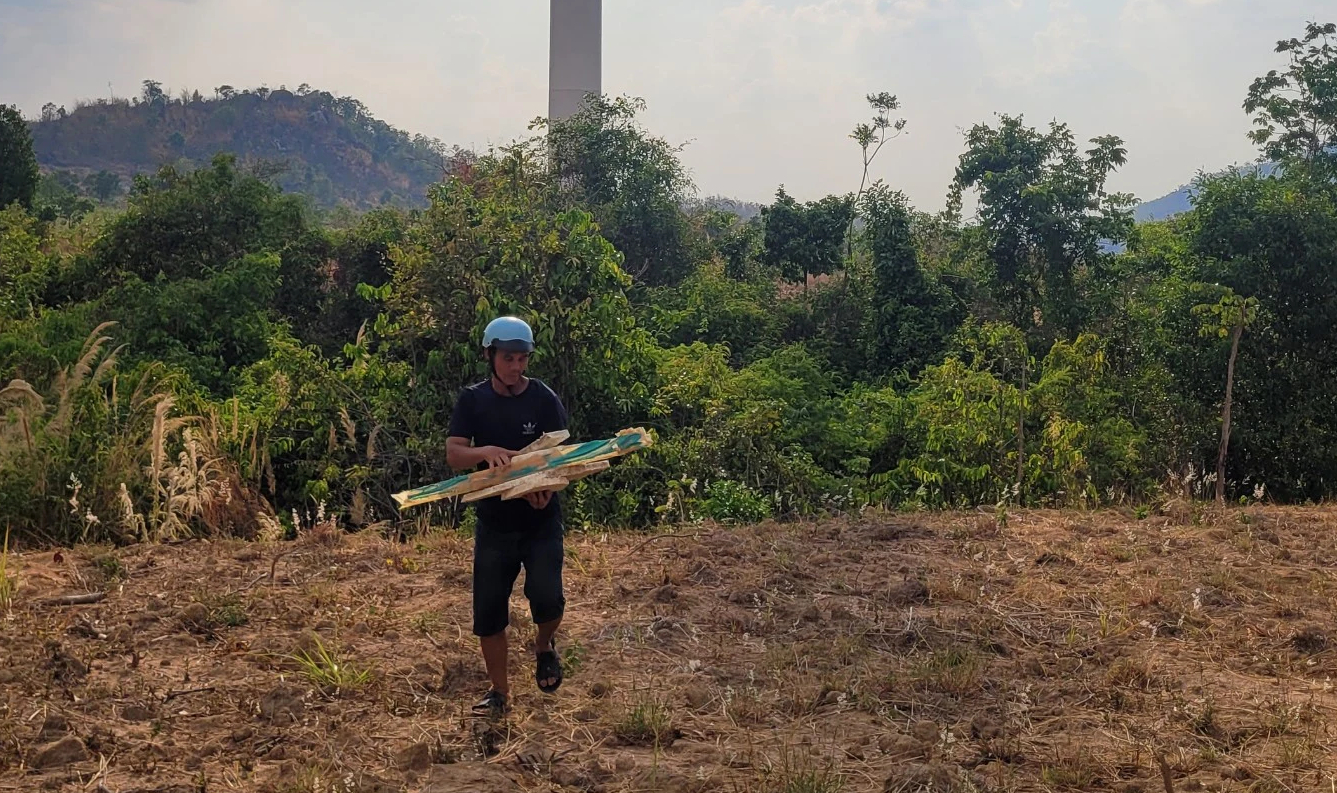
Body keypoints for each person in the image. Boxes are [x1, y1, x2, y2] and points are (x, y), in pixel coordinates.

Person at [445, 315, 569, 717]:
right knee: (489, 610)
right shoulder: (473, 400)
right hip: (495, 522)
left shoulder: (544, 399)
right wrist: (484, 452)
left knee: (548, 598)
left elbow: (561, 457)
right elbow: (453, 454)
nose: (516, 367)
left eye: (522, 359)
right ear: (490, 355)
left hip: (541, 519)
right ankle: (499, 691)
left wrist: (546, 488)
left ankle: (544, 645)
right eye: (508, 358)